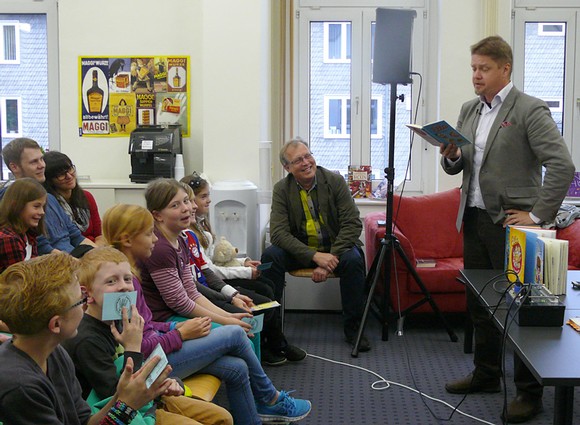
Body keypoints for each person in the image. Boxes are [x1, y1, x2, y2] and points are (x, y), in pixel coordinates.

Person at [440, 36, 575, 423]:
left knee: (521, 308)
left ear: (505, 69)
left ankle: (529, 394)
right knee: (481, 303)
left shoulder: (530, 109)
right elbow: (463, 164)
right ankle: (486, 374)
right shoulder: (469, 109)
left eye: (483, 68)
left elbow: (562, 166)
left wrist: (536, 216)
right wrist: (451, 157)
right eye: (473, 68)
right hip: (475, 217)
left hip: (514, 224)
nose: (476, 75)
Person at [102, 203, 312, 424]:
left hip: (158, 349)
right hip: (148, 364)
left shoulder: (129, 274)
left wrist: (176, 328)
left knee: (237, 367)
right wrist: (180, 335)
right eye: (148, 234)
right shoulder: (122, 286)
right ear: (127, 240)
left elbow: (148, 325)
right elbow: (133, 350)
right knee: (234, 334)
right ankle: (270, 398)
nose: (154, 239)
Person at [63, 247, 234, 425]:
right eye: (111, 281)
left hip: (149, 398)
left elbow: (146, 369)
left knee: (223, 418)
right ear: (87, 294)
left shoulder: (119, 319)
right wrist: (133, 347)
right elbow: (119, 396)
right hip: (126, 412)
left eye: (127, 279)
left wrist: (170, 382)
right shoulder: (87, 339)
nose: (123, 286)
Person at [0, 251, 175, 424]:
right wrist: (127, 406)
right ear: (56, 325)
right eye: (80, 300)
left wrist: (121, 398)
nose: (85, 304)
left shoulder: (55, 352)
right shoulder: (21, 388)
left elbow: (85, 421)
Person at [182, 173, 306, 366]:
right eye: (203, 196)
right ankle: (270, 345)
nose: (209, 200)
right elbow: (211, 271)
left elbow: (215, 258)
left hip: (213, 281)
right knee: (263, 296)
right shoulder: (188, 234)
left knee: (267, 285)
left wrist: (243, 263)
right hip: (211, 285)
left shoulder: (200, 224)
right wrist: (244, 275)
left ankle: (273, 342)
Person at [260, 138, 370, 351]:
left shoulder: (334, 181)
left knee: (355, 259)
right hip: (302, 251)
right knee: (270, 256)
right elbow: (279, 234)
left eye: (308, 155)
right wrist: (314, 257)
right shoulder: (282, 189)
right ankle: (271, 333)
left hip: (335, 248)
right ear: (287, 167)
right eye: (298, 160)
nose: (306, 162)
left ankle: (354, 330)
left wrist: (328, 260)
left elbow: (352, 224)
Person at [0, 137, 96, 255]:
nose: (41, 165)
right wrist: (84, 266)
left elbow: (76, 237)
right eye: (34, 162)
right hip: (54, 265)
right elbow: (42, 249)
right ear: (14, 167)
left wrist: (102, 256)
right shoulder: (12, 199)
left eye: (41, 159)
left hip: (73, 259)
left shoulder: (49, 197)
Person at [43, 150, 104, 245]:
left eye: (70, 169)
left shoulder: (86, 196)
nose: (69, 176)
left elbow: (99, 236)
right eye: (61, 174)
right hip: (72, 252)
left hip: (94, 249)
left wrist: (98, 251)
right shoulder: (51, 205)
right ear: (50, 180)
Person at [0, 177, 46, 273]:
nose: (42, 212)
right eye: (36, 206)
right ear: (16, 206)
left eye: (43, 207)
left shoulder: (29, 234)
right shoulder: (8, 239)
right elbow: (21, 282)